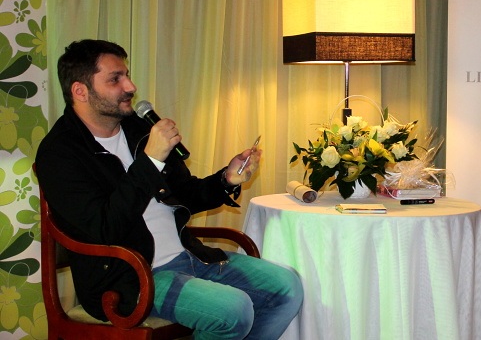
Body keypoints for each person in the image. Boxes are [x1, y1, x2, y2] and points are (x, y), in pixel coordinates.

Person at [35, 39, 303, 339]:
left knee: (286, 288)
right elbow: (104, 228)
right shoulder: (60, 153)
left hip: (187, 255)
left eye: (127, 75)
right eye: (115, 79)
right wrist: (150, 161)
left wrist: (225, 180)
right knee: (233, 310)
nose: (130, 86)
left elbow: (185, 193)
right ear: (80, 91)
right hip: (129, 277)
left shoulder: (139, 130)